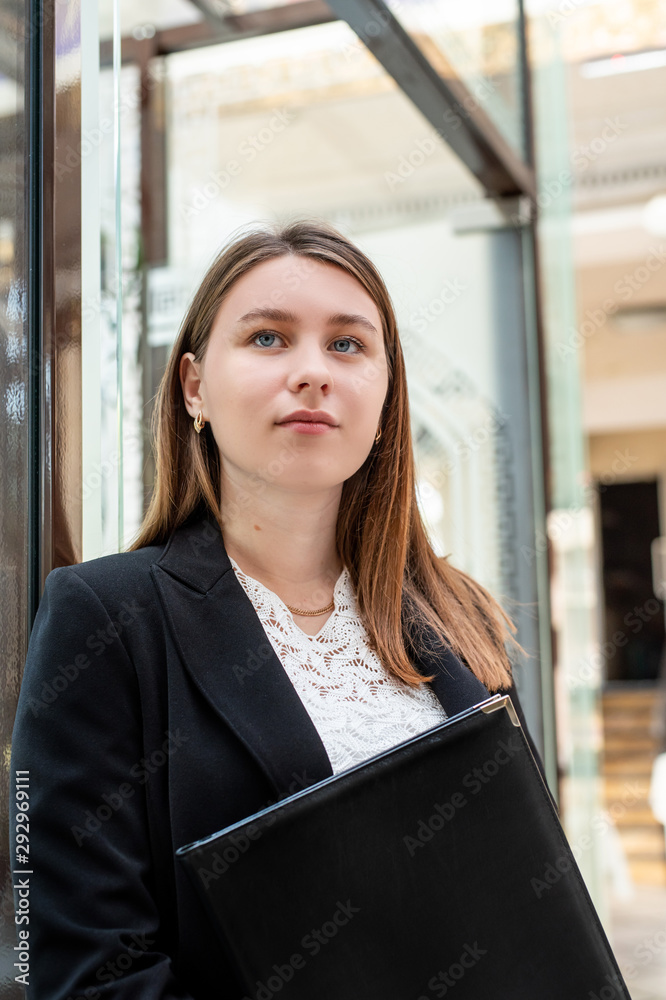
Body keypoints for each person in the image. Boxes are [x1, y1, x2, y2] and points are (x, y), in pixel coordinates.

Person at [9, 218, 546, 999]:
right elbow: (81, 970)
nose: (311, 373)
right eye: (266, 338)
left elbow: (524, 902)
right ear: (194, 385)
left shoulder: (456, 616)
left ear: (386, 389)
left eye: (347, 344)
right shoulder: (106, 615)